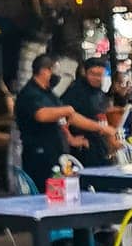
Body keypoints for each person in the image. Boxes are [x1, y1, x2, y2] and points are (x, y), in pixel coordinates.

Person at [13, 54, 107, 192]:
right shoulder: (30, 93)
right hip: (38, 154)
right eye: (54, 71)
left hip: (56, 153)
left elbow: (68, 118)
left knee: (60, 194)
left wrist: (72, 137)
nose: (57, 76)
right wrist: (66, 110)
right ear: (44, 71)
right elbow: (41, 115)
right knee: (45, 195)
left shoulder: (49, 94)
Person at [62, 58, 121, 166]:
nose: (97, 78)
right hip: (83, 147)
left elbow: (102, 117)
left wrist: (111, 139)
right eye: (93, 74)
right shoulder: (75, 91)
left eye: (100, 75)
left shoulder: (99, 93)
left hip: (100, 146)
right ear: (85, 72)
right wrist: (70, 138)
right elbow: (65, 117)